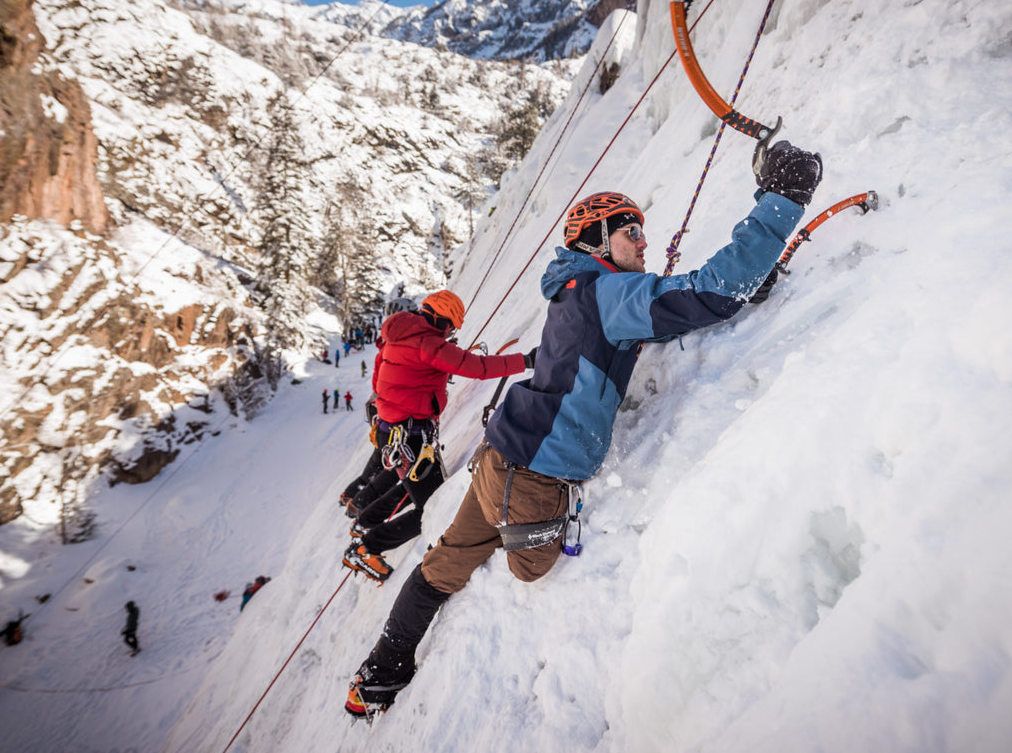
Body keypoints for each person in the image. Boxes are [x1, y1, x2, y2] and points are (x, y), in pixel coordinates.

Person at [345, 142, 823, 716]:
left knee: (442, 565)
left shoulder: (576, 291)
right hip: (538, 474)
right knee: (531, 566)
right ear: (598, 241)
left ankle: (377, 674)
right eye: (631, 233)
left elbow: (658, 318)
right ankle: (490, 546)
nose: (644, 243)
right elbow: (706, 291)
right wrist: (782, 201)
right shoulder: (605, 292)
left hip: (503, 453)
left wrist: (731, 294)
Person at [342, 290, 528, 583]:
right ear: (442, 321)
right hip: (411, 436)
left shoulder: (396, 336)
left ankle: (366, 523)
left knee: (411, 487)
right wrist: (527, 360)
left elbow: (380, 382)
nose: (450, 333)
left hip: (395, 432)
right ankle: (367, 548)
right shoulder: (428, 344)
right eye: (451, 327)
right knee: (432, 506)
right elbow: (478, 368)